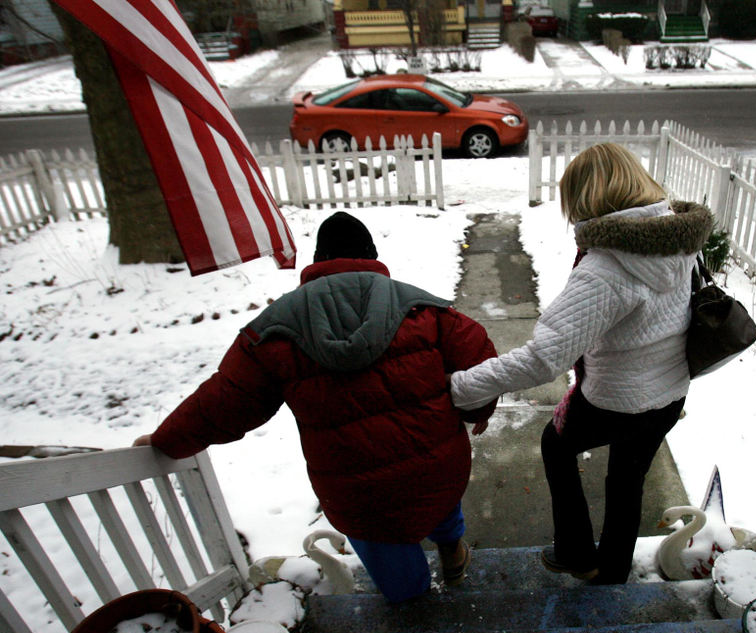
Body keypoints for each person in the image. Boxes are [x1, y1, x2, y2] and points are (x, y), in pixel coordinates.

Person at [135, 211, 497, 603]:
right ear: (372, 256)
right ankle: (452, 552)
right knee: (438, 500)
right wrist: (477, 412)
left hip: (356, 492)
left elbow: (223, 403)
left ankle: (415, 607)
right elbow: (480, 360)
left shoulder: (275, 329)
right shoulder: (422, 309)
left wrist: (165, 440)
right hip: (435, 465)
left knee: (397, 573)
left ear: (318, 261)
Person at [450, 143, 713, 585]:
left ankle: (577, 551)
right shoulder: (679, 238)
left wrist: (462, 386)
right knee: (627, 480)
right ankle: (610, 571)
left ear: (585, 199)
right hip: (668, 393)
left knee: (557, 445)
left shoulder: (607, 269)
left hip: (616, 402)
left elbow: (543, 359)